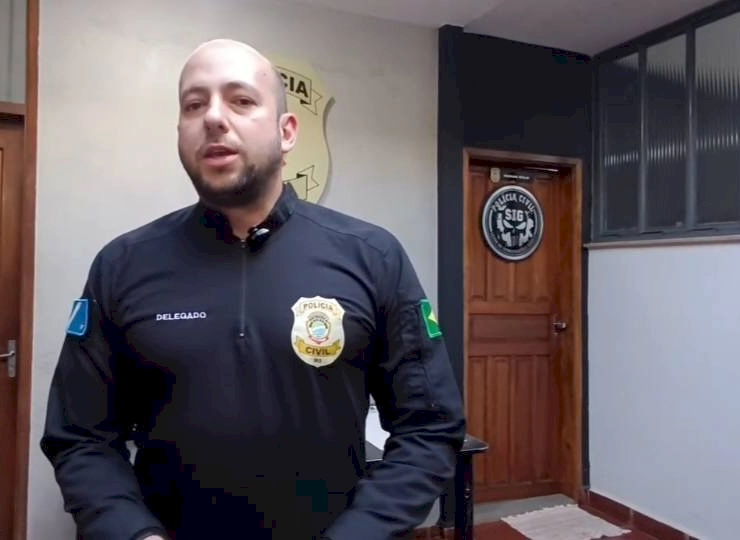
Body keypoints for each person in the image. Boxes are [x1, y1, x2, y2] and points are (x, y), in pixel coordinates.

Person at [40, 38, 466, 540]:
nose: (213, 118)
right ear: (180, 132)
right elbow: (79, 436)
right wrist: (132, 533)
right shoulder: (122, 265)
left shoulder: (372, 256)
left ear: (287, 132)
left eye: (241, 100)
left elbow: (430, 427)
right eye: (194, 105)